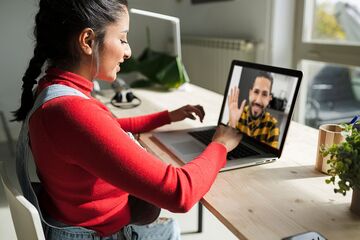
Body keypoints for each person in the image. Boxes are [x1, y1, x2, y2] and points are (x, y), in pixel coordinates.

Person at [12, 0, 243, 239]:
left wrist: (168, 117)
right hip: (97, 233)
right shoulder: (71, 112)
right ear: (88, 41)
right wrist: (221, 144)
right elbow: (180, 193)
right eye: (122, 39)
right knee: (172, 228)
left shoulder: (52, 91)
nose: (128, 51)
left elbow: (105, 131)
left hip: (75, 218)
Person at [228, 72, 280, 148]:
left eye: (264, 94)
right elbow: (225, 145)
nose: (258, 101)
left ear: (269, 98)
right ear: (250, 93)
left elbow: (270, 158)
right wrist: (232, 123)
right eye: (256, 92)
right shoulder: (238, 115)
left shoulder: (273, 125)